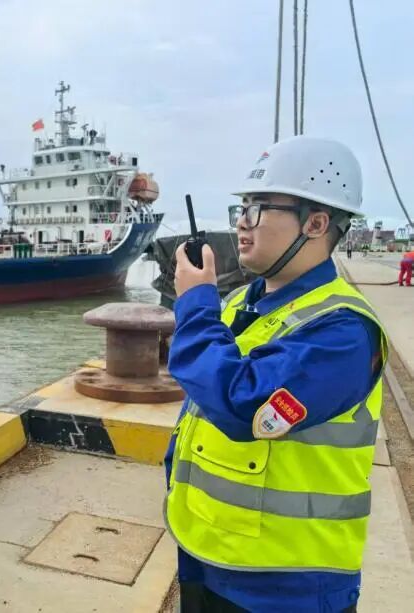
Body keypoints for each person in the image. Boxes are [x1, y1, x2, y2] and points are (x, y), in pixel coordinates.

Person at [165, 136, 386, 612]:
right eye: (241, 207)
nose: (242, 222)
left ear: (316, 223)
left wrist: (195, 306)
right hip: (209, 554)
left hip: (288, 584)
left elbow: (243, 404)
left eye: (259, 208)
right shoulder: (239, 304)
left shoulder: (343, 331)